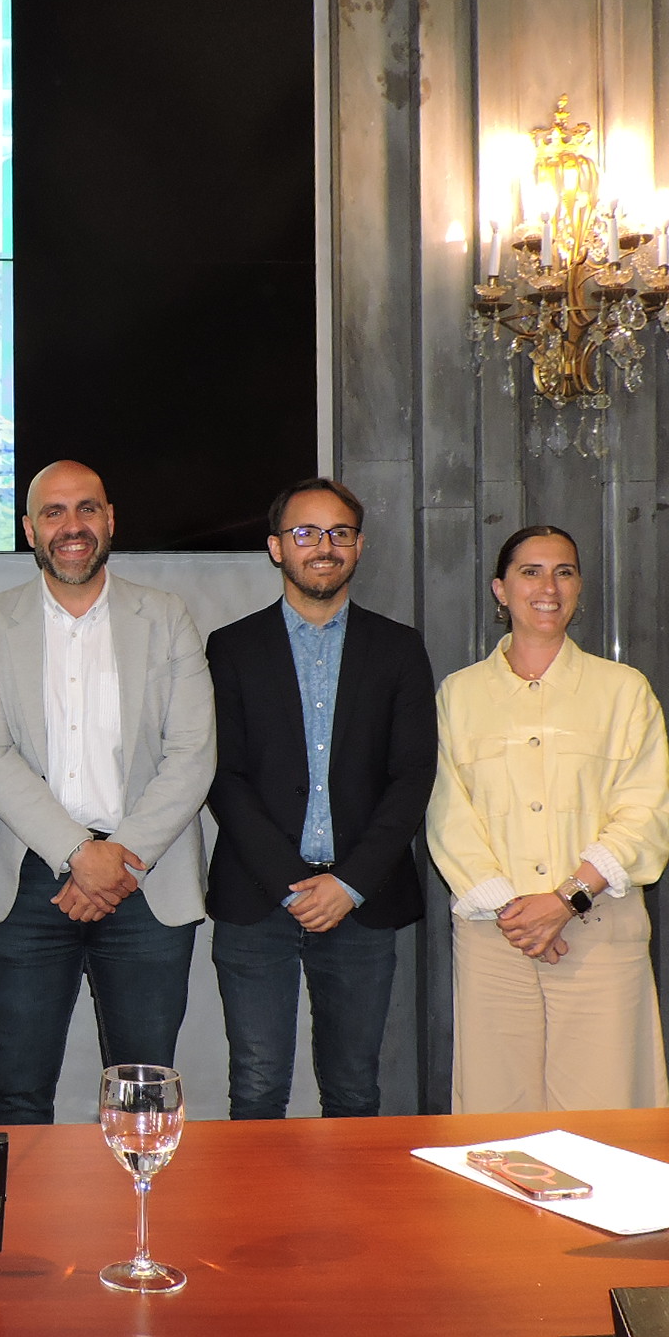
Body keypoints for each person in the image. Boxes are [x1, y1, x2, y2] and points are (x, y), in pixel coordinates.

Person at [0, 460, 215, 1124]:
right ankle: (22, 1205)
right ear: (30, 530)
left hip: (144, 882)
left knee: (144, 1091)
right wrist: (80, 853)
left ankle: (138, 1198)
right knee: (17, 1090)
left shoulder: (166, 617)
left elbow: (193, 755)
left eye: (87, 509)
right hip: (25, 883)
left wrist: (118, 858)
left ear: (110, 520)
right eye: (53, 512)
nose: (71, 526)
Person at [205, 478, 436, 1120]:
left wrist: (348, 884)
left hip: (362, 900)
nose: (324, 546)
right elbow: (223, 776)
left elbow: (413, 776)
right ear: (277, 547)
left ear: (359, 546)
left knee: (354, 1090)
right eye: (305, 533)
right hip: (257, 898)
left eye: (339, 533)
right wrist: (293, 885)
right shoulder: (231, 647)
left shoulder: (398, 648)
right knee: (256, 1088)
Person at [426, 524, 669, 1113]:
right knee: (496, 1115)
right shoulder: (458, 695)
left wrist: (566, 900)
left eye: (564, 572)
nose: (549, 587)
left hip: (598, 927)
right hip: (497, 934)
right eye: (530, 572)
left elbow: (646, 811)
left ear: (579, 588)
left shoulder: (624, 691)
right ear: (500, 589)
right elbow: (445, 811)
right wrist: (515, 912)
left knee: (605, 1114)